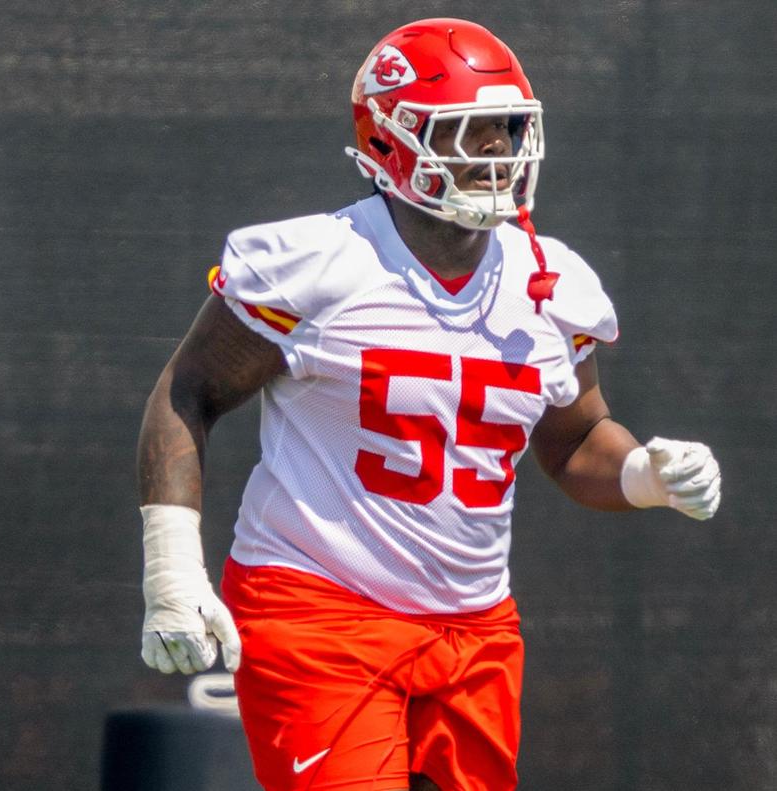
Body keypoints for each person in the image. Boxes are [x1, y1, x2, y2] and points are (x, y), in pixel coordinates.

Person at [135, 17, 721, 791]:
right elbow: (188, 393)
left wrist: (648, 473)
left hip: (476, 625)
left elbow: (575, 442)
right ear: (389, 141)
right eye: (468, 132)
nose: (497, 153)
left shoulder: (551, 282)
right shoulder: (321, 264)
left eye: (508, 128)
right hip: (319, 609)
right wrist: (171, 570)